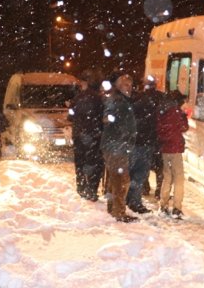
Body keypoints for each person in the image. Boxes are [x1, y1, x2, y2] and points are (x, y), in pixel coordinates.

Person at [101, 71, 138, 223]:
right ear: (118, 86)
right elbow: (108, 116)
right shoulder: (117, 100)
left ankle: (113, 208)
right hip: (116, 146)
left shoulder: (123, 100)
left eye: (130, 85)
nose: (128, 87)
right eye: (125, 85)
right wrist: (115, 124)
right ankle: (119, 212)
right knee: (122, 181)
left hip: (118, 145)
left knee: (115, 180)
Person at [69, 69, 105, 201]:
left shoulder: (77, 98)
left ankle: (81, 187)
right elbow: (102, 117)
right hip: (94, 135)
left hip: (79, 135)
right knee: (94, 163)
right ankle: (91, 189)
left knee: (80, 162)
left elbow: (70, 116)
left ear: (84, 82)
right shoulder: (99, 98)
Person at [127, 76, 161, 213]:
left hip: (135, 141)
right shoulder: (155, 100)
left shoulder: (135, 100)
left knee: (133, 172)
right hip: (146, 142)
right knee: (140, 173)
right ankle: (134, 201)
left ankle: (129, 199)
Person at [156, 90, 189, 219]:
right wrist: (184, 116)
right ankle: (177, 208)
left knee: (167, 177)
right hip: (175, 149)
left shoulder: (162, 110)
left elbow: (159, 129)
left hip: (165, 148)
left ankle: (163, 205)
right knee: (179, 178)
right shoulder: (176, 112)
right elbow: (184, 127)